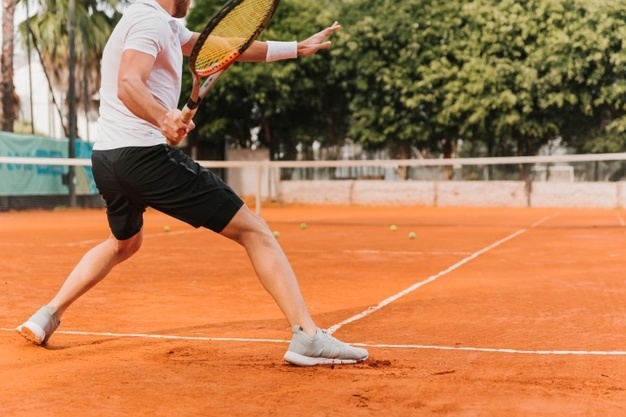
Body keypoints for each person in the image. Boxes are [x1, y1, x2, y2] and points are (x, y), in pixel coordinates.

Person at [16, 0, 368, 367]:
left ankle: (47, 314)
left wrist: (294, 48)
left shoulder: (162, 25)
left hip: (107, 159)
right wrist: (163, 117)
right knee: (254, 230)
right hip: (144, 157)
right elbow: (127, 83)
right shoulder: (149, 22)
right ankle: (307, 337)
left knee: (123, 244)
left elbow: (229, 47)